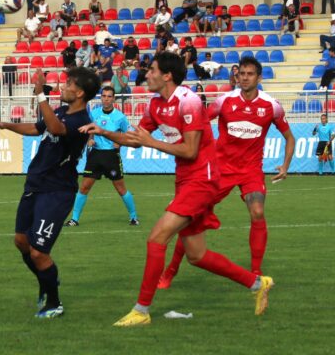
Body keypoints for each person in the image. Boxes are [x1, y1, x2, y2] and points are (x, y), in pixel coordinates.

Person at [80, 52, 275, 327]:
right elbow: (136, 140)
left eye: (151, 70)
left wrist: (152, 142)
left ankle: (141, 311)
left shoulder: (189, 101)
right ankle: (257, 283)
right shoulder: (156, 105)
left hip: (203, 179)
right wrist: (103, 132)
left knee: (157, 237)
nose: (146, 74)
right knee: (196, 255)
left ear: (167, 75)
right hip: (185, 179)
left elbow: (191, 150)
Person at [159, 56, 295, 290]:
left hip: (251, 170)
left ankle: (256, 273)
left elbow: (289, 137)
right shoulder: (224, 101)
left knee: (258, 211)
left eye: (249, 74)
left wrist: (285, 166)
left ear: (259, 78)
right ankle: (170, 271)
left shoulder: (271, 106)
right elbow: (200, 123)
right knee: (193, 217)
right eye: (241, 73)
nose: (244, 77)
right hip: (220, 170)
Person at [0, 67, 99, 319]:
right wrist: (4, 124)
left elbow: (56, 129)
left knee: (38, 251)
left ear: (79, 92)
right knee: (21, 242)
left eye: (68, 83)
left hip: (57, 191)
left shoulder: (81, 121)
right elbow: (38, 128)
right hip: (34, 185)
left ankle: (55, 303)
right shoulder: (60, 111)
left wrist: (40, 95)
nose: (63, 85)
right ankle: (47, 283)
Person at [66, 86, 139, 227]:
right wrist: (90, 139)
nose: (106, 99)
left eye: (109, 96)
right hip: (95, 155)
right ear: (101, 97)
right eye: (104, 96)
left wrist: (120, 144)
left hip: (111, 156)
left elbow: (128, 135)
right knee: (84, 188)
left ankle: (133, 217)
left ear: (113, 98)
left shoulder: (120, 117)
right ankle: (74, 219)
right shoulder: (94, 113)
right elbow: (89, 129)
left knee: (121, 189)